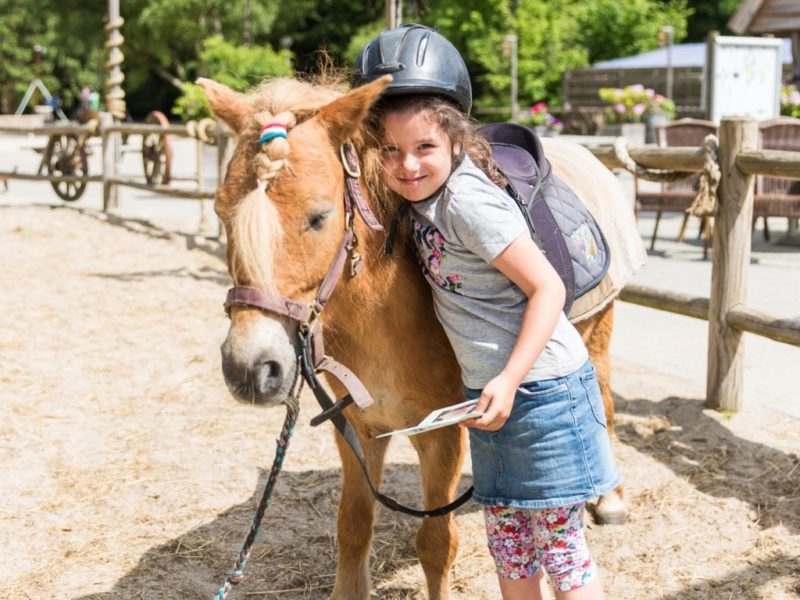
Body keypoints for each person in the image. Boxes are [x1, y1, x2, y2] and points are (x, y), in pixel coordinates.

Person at [354, 25, 621, 600]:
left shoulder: (470, 204)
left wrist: (507, 378)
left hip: (541, 392)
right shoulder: (415, 202)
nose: (407, 166)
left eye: (424, 148)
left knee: (561, 552)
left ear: (455, 141)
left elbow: (547, 288)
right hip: (492, 399)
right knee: (509, 546)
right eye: (391, 151)